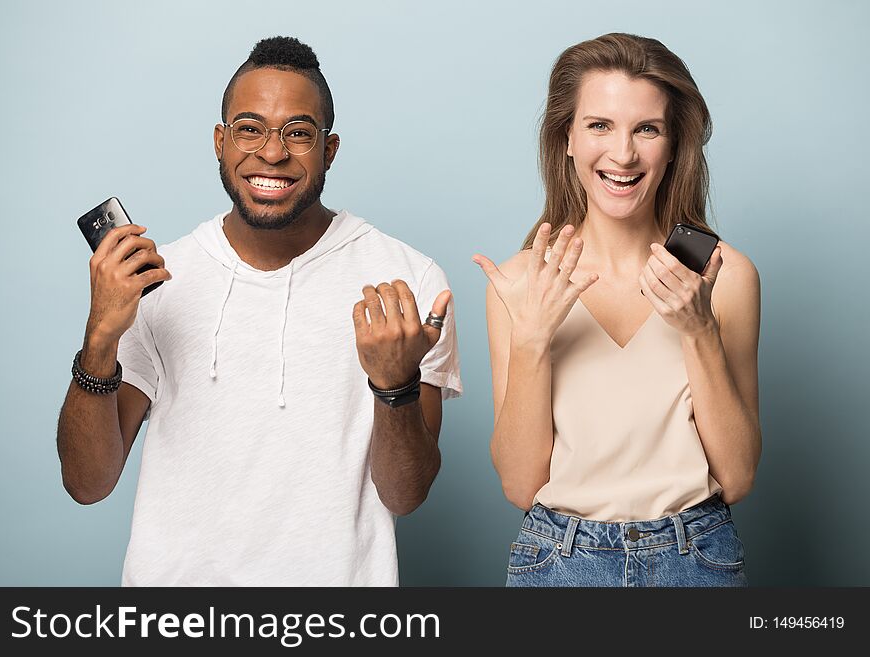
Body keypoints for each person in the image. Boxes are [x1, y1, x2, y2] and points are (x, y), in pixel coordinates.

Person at [56, 36, 461, 586]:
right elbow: (87, 483)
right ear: (221, 142)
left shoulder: (407, 281)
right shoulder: (159, 284)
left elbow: (405, 495)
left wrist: (395, 385)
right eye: (250, 129)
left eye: (298, 133)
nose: (272, 153)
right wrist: (100, 337)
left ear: (330, 150)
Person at [473, 33, 760, 587]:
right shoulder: (521, 282)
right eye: (599, 125)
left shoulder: (722, 275)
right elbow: (519, 485)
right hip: (558, 561)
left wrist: (698, 330)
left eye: (646, 129)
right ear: (566, 140)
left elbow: (739, 476)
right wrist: (531, 339)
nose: (623, 154)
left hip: (696, 559)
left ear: (674, 144)